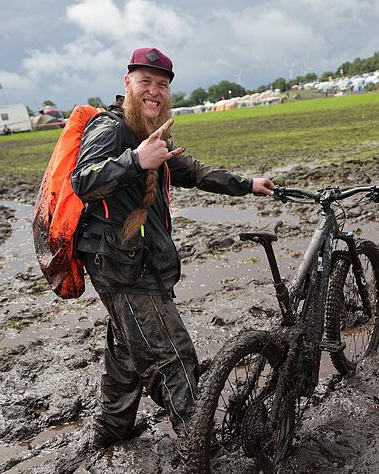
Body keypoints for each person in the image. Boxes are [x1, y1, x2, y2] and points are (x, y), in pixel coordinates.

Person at [70, 47, 275, 450]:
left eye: (162, 85)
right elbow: (83, 181)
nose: (154, 91)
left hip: (138, 262)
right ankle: (202, 447)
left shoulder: (151, 132)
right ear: (127, 82)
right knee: (173, 358)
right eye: (145, 82)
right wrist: (135, 160)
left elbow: (191, 170)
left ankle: (113, 430)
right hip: (121, 267)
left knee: (128, 352)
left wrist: (246, 183)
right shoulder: (110, 130)